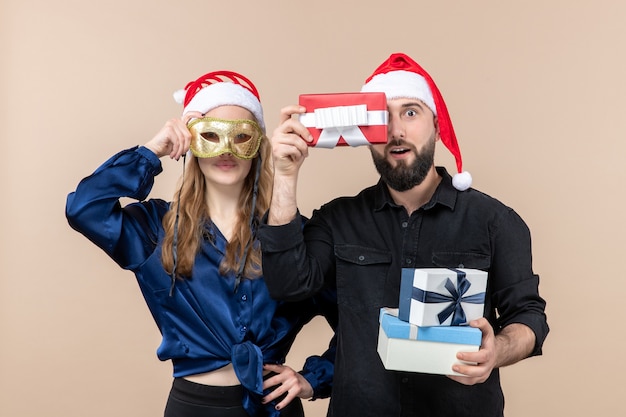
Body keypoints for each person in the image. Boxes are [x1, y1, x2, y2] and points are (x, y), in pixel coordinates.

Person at [257, 53, 549, 417]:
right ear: (366, 134)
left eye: (410, 113)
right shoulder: (337, 220)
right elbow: (287, 285)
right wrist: (284, 176)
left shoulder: (495, 222)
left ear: (438, 126)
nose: (396, 131)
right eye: (383, 118)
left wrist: (497, 351)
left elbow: (529, 317)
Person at [66, 70, 336, 417]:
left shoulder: (291, 235)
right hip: (193, 407)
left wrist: (313, 379)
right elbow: (84, 209)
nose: (226, 151)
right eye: (210, 135)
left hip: (273, 407)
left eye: (240, 137)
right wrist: (152, 150)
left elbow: (355, 322)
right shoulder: (155, 229)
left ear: (258, 146)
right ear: (192, 141)